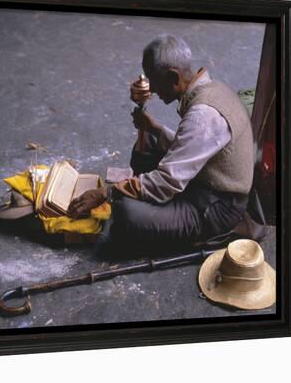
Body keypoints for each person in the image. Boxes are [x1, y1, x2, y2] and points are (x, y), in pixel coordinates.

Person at [68, 34, 255, 253]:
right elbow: (193, 148)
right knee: (152, 141)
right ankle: (151, 203)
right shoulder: (213, 88)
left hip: (217, 207)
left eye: (154, 81)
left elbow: (167, 182)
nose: (153, 90)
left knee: (125, 212)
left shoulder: (202, 116)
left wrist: (106, 193)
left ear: (173, 78)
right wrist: (154, 128)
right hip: (203, 180)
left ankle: (189, 228)